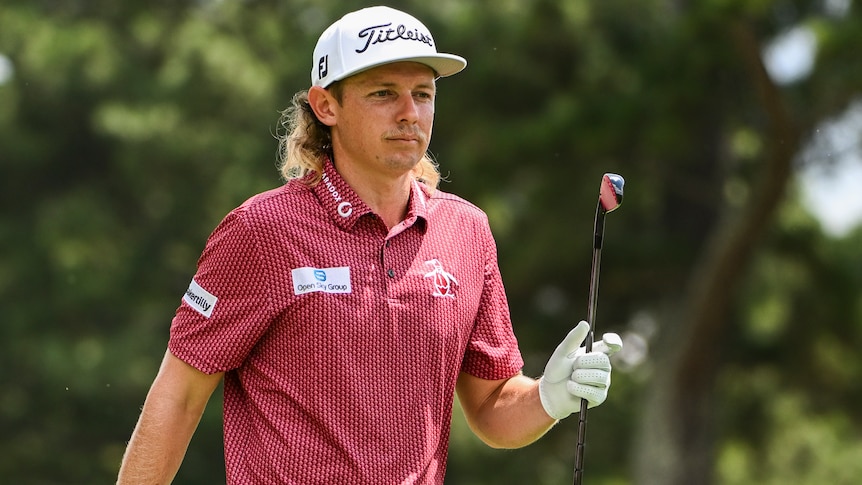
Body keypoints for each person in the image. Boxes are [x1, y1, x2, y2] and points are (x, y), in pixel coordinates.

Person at [116, 5, 622, 484]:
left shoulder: (467, 231)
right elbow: (179, 397)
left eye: (423, 94)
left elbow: (490, 408)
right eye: (383, 93)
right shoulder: (262, 230)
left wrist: (549, 398)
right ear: (325, 106)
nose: (409, 113)